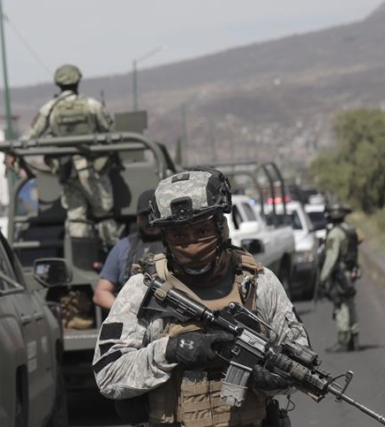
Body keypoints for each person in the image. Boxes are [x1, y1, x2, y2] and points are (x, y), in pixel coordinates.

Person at [93, 168, 311, 427]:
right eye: (179, 235)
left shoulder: (258, 283)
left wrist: (273, 377)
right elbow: (108, 375)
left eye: (201, 230)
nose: (192, 243)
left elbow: (299, 357)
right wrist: (172, 350)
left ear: (221, 226)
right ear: (164, 237)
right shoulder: (143, 289)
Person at [9, 64, 118, 249]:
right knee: (104, 214)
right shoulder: (92, 105)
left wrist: (12, 152)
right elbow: (110, 132)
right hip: (93, 170)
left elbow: (31, 135)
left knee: (76, 216)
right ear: (78, 81)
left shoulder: (50, 108)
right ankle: (112, 255)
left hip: (66, 170)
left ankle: (80, 258)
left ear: (58, 83)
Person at [93, 189, 163, 310]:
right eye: (145, 216)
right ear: (137, 218)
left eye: (155, 214)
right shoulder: (123, 247)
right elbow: (100, 293)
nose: (150, 221)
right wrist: (125, 311)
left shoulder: (178, 245)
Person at [319, 202, 361, 353]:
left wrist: (323, 278)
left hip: (340, 275)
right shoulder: (350, 229)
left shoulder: (335, 233)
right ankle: (354, 338)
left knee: (341, 305)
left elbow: (331, 258)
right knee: (350, 304)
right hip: (350, 272)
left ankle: (343, 340)